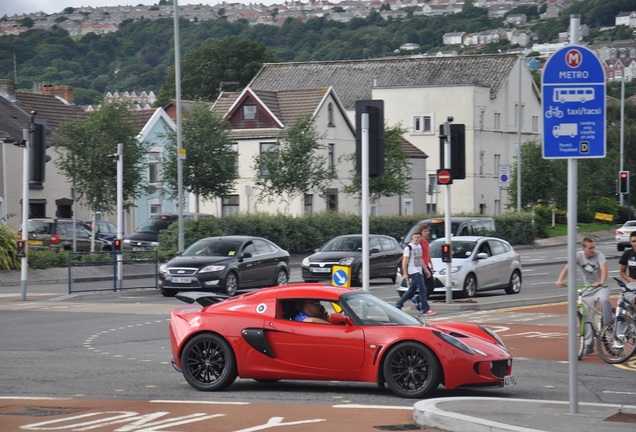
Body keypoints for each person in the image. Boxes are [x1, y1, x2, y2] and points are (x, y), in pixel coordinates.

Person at [556, 237, 611, 355]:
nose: (593, 250)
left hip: (601, 287)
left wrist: (601, 282)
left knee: (604, 300)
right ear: (583, 248)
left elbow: (604, 269)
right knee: (587, 316)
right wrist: (560, 280)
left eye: (593, 247)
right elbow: (567, 268)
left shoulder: (599, 255)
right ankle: (588, 344)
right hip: (588, 289)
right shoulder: (578, 256)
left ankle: (609, 325)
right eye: (590, 248)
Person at [396, 231, 435, 316]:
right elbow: (404, 261)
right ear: (412, 238)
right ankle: (425, 309)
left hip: (419, 270)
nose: (416, 239)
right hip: (413, 271)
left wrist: (426, 270)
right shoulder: (408, 248)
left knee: (412, 290)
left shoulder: (419, 246)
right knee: (422, 289)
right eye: (415, 237)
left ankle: (398, 305)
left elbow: (420, 259)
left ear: (420, 238)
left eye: (418, 237)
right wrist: (405, 273)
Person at [618, 231, 636, 304]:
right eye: (633, 241)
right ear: (630, 242)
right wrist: (629, 279)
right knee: (622, 299)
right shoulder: (627, 254)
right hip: (632, 284)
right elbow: (622, 272)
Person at [418, 224, 435, 299]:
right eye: (425, 231)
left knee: (431, 286)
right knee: (425, 286)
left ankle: (418, 299)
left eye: (428, 231)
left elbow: (428, 254)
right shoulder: (420, 242)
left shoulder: (426, 241)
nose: (427, 233)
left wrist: (431, 265)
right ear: (421, 232)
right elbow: (420, 256)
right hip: (422, 266)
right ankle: (420, 300)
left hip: (427, 266)